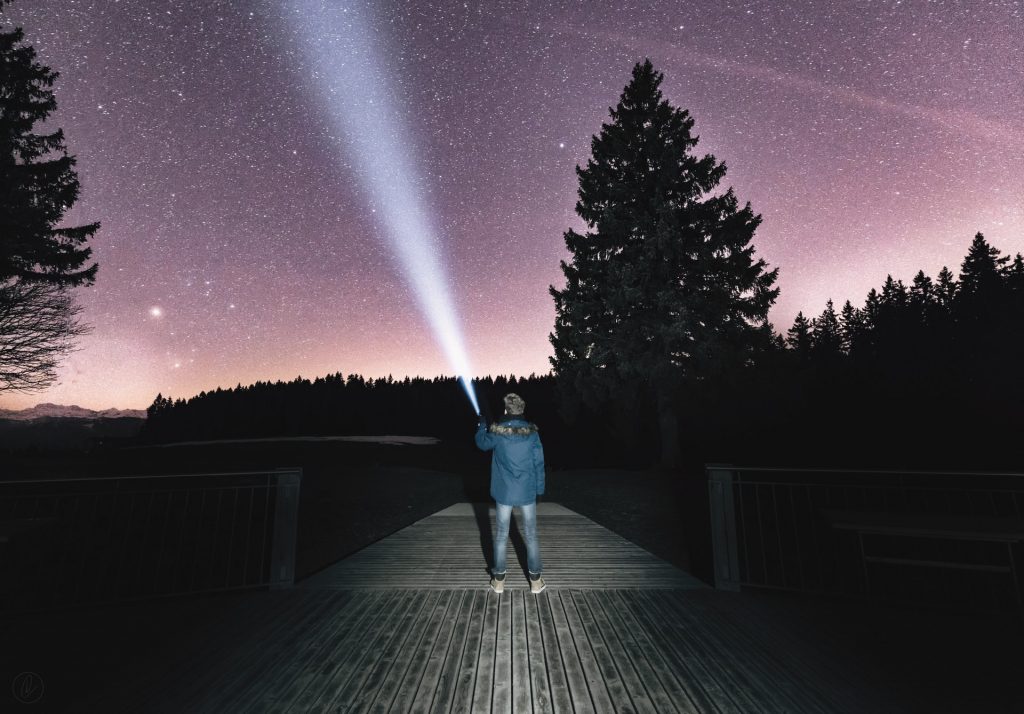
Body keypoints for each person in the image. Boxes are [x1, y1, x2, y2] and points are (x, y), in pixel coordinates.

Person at [475, 392, 546, 594]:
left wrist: (481, 425)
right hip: (527, 492)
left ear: (506, 410)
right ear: (521, 410)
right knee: (531, 535)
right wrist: (539, 489)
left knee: (500, 536)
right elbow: (539, 464)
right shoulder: (532, 434)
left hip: (505, 492)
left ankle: (498, 581)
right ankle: (535, 581)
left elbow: (481, 444)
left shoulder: (498, 433)